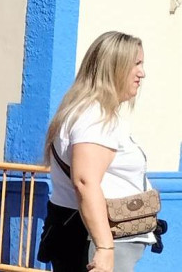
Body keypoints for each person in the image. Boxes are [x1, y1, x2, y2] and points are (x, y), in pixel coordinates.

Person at [40, 31, 154, 272]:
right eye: (136, 64)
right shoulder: (95, 117)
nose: (142, 73)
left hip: (86, 234)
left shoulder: (88, 112)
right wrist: (105, 248)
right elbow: (85, 181)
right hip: (97, 240)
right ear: (113, 67)